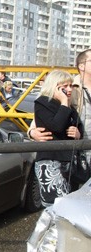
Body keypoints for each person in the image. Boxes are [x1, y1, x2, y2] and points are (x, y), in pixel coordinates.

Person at [34, 70, 82, 207]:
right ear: (54, 86)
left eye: (70, 85)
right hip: (50, 161)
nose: (69, 89)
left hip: (69, 162)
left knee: (69, 208)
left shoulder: (70, 107)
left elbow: (79, 127)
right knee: (57, 208)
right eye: (64, 86)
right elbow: (56, 126)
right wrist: (63, 102)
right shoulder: (43, 103)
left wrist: (78, 134)